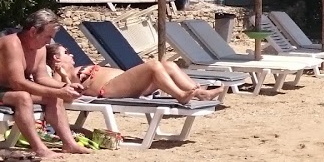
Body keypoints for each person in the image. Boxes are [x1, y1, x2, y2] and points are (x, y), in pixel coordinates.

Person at [0, 9, 91, 160]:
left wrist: (63, 88)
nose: (49, 42)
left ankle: (69, 144)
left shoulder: (40, 48)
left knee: (54, 98)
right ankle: (39, 149)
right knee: (23, 97)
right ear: (33, 31)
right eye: (47, 36)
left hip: (4, 89)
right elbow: (18, 83)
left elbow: (41, 77)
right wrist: (57, 92)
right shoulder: (12, 45)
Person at [44, 44, 223, 104]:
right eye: (66, 53)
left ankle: (200, 93)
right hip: (109, 89)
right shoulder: (58, 74)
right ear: (56, 59)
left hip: (122, 83)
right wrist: (65, 77)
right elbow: (64, 95)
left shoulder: (74, 67)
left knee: (167, 64)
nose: (71, 54)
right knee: (153, 65)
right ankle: (180, 95)